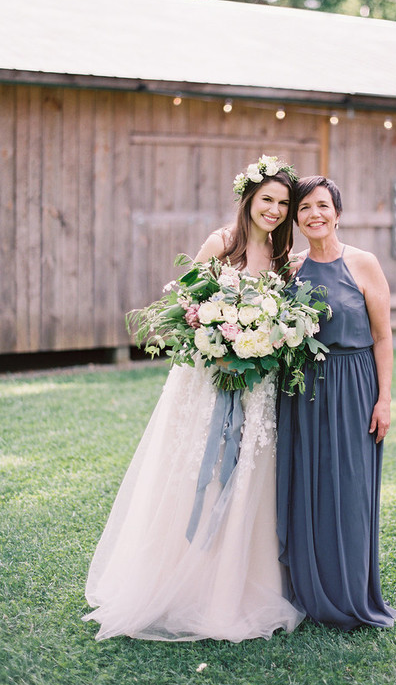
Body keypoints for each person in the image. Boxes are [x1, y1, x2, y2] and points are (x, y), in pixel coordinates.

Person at [83, 158, 305, 642]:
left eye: (284, 203)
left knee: (251, 473)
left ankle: (241, 584)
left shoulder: (284, 258)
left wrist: (263, 341)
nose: (274, 209)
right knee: (198, 474)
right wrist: (218, 342)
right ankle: (183, 582)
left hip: (258, 387)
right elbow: (183, 311)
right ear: (248, 198)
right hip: (206, 384)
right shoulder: (220, 245)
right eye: (267, 199)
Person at [276, 176, 396, 630]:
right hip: (303, 392)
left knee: (350, 490)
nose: (314, 214)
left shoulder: (363, 263)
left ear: (338, 213)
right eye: (305, 208)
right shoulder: (290, 270)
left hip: (355, 386)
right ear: (297, 218)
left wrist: (384, 399)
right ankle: (311, 590)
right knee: (307, 486)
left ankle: (352, 593)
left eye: (322, 206)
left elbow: (383, 336)